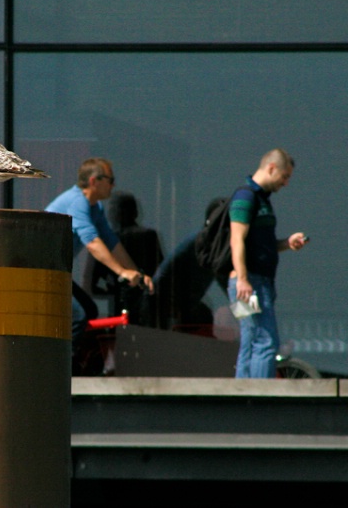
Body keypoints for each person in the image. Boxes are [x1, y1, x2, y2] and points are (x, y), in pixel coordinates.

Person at [45, 158, 155, 373]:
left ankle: (75, 364)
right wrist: (122, 272)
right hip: (41, 271)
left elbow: (111, 242)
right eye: (110, 180)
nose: (113, 185)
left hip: (56, 271)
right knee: (77, 316)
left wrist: (136, 273)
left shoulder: (95, 207)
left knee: (89, 309)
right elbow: (93, 243)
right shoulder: (77, 202)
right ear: (95, 181)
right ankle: (62, 373)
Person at [227, 148, 308, 378]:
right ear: (271, 168)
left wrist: (287, 244)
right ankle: (260, 397)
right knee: (265, 340)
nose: (286, 183)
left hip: (253, 283)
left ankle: (243, 394)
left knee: (251, 339)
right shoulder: (246, 196)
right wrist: (243, 279)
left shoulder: (261, 200)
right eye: (284, 177)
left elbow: (261, 244)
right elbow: (237, 238)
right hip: (249, 284)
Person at [84, 191, 163, 323]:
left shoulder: (103, 243)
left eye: (112, 209)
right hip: (147, 312)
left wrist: (112, 291)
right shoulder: (148, 236)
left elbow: (89, 284)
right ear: (135, 212)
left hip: (117, 313)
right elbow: (160, 274)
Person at [149, 198, 225, 331]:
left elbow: (226, 280)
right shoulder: (203, 242)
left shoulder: (212, 245)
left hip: (181, 306)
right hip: (166, 307)